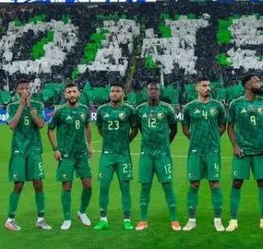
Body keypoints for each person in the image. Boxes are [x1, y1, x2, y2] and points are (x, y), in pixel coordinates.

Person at [225, 73, 263, 232]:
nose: (260, 83)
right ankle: (233, 220)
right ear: (248, 85)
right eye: (257, 81)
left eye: (260, 80)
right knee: (236, 183)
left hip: (261, 152)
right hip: (242, 152)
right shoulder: (236, 104)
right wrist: (235, 146)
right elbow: (230, 127)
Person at [181, 76, 227, 232]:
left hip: (212, 151)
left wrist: (214, 139)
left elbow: (223, 125)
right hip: (195, 152)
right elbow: (185, 128)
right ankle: (191, 220)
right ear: (197, 88)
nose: (208, 88)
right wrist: (195, 140)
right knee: (194, 184)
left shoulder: (218, 106)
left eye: (209, 85)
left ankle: (218, 220)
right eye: (204, 85)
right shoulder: (189, 107)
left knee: (214, 184)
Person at [48, 83, 94, 231]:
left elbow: (88, 127)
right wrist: (55, 149)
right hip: (66, 155)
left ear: (78, 93)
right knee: (67, 186)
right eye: (69, 92)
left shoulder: (84, 109)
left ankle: (82, 212)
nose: (72, 94)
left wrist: (90, 145)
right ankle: (67, 218)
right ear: (65, 95)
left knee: (88, 185)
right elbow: (50, 130)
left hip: (81, 154)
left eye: (74, 91)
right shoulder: (60, 111)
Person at [6, 78, 50, 231]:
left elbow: (41, 124)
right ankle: (10, 220)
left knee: (38, 183)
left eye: (27, 88)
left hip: (34, 149)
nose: (25, 91)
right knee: (18, 184)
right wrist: (21, 106)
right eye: (21, 88)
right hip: (18, 150)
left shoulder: (38, 105)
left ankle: (41, 219)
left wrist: (29, 106)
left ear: (31, 90)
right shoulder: (12, 106)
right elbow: (12, 125)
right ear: (17, 91)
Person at [135, 81, 180, 231]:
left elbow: (174, 129)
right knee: (145, 186)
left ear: (160, 92)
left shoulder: (167, 109)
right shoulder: (140, 109)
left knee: (167, 185)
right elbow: (140, 127)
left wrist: (166, 143)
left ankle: (174, 219)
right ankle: (143, 220)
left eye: (156, 89)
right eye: (151, 89)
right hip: (146, 154)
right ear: (146, 91)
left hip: (162, 155)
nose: (153, 91)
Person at [94, 83, 139, 231]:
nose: (114, 93)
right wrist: (109, 141)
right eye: (112, 91)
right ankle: (103, 220)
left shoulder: (129, 110)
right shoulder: (102, 110)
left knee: (125, 188)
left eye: (118, 91)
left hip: (123, 156)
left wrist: (125, 142)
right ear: (109, 94)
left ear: (123, 94)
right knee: (103, 187)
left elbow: (134, 130)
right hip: (107, 156)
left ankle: (127, 220)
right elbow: (100, 129)